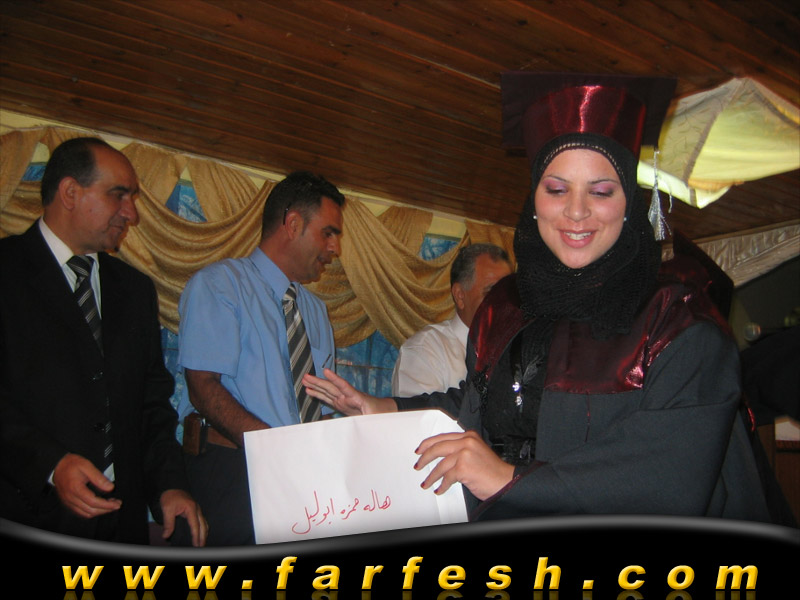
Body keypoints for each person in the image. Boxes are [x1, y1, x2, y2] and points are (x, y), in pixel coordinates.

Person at [303, 73, 773, 523]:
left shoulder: (677, 320)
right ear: (534, 199)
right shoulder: (507, 305)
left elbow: (672, 473)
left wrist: (510, 480)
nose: (576, 211)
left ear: (630, 201)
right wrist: (381, 408)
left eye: (601, 191)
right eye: (556, 189)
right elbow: (488, 401)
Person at [0, 137, 207, 546]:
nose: (131, 213)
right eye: (119, 195)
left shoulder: (135, 290)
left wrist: (169, 485)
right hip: (24, 513)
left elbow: (150, 405)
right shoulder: (6, 271)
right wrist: (51, 465)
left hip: (120, 529)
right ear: (70, 193)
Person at [175, 170, 344, 545]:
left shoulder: (316, 312)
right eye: (328, 233)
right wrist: (274, 451)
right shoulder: (219, 285)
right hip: (231, 473)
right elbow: (202, 387)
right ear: (293, 224)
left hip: (299, 480)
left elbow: (322, 407)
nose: (335, 248)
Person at [391, 243, 512, 396]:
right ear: (460, 296)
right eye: (492, 293)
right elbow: (421, 411)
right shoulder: (424, 350)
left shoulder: (516, 349)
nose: (505, 303)